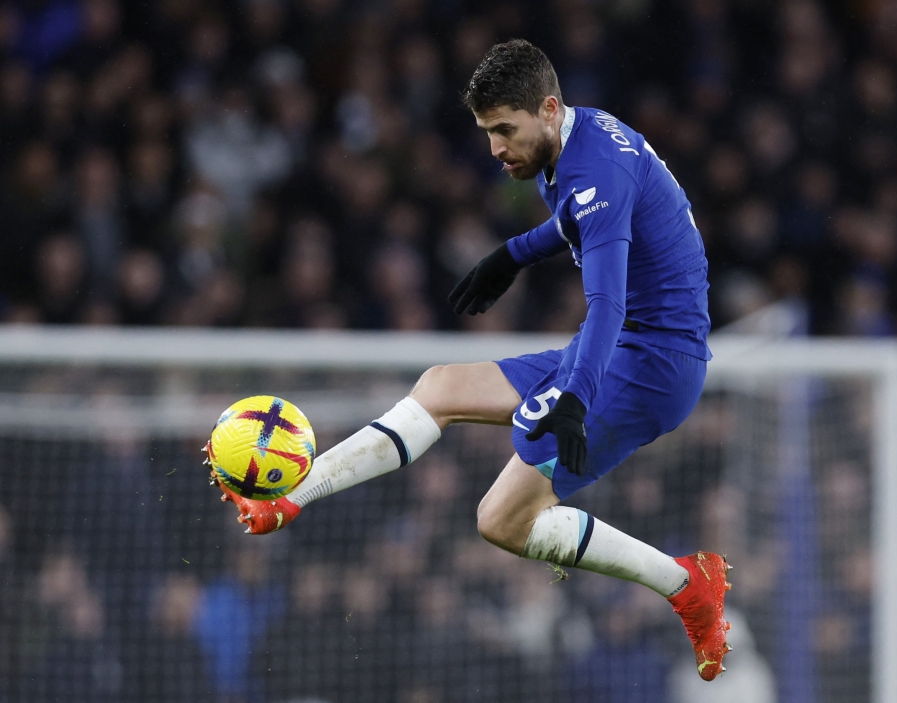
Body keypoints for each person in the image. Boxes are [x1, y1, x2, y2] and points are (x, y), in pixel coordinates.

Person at [212, 39, 732, 680]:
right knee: (442, 386)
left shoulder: (595, 169)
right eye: (487, 132)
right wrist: (513, 254)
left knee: (501, 520)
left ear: (547, 108)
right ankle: (292, 495)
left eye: (505, 131)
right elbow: (585, 223)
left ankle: (686, 585)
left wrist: (574, 397)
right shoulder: (579, 133)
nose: (495, 149)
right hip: (635, 348)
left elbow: (607, 305)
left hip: (651, 365)